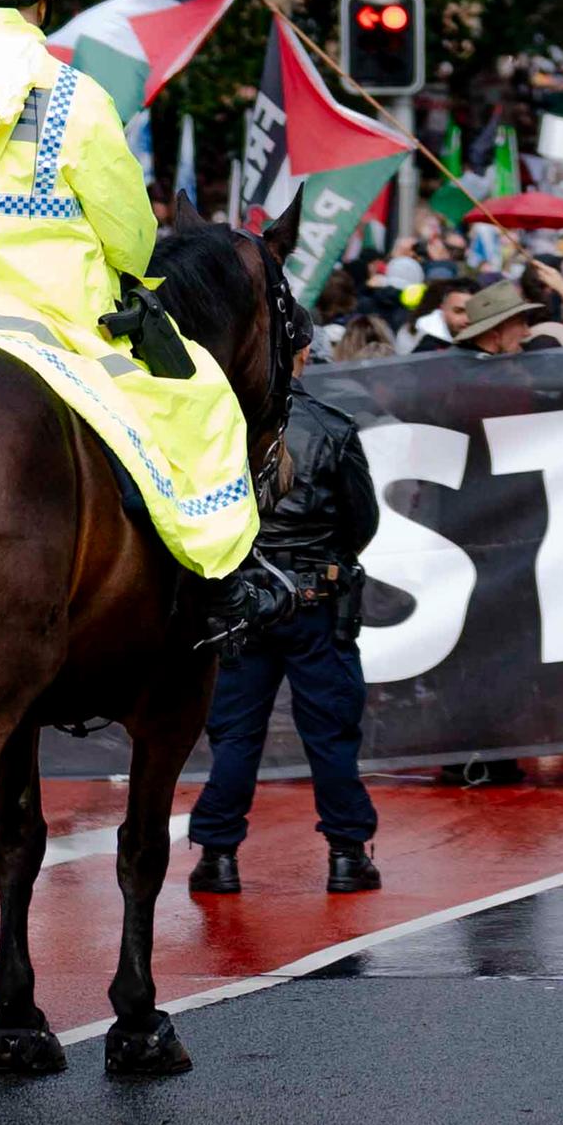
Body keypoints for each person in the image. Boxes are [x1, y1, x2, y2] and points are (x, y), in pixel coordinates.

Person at [0, 0, 295, 646]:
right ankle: (225, 584)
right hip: (52, 321)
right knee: (203, 403)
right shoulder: (76, 99)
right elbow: (131, 237)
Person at [189, 333, 386, 898]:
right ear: (301, 354)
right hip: (315, 600)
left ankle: (217, 857)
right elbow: (361, 523)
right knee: (330, 732)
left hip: (241, 600)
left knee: (235, 734)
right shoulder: (331, 425)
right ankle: (347, 857)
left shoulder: (220, 423)